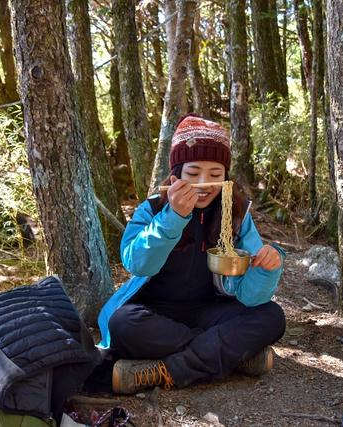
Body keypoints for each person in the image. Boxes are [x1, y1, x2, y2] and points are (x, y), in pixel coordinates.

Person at [97, 115, 286, 394]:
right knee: (122, 324)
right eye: (193, 172)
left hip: (210, 310)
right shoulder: (152, 209)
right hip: (155, 311)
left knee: (272, 316)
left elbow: (251, 297)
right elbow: (136, 263)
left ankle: (166, 371)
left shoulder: (235, 214)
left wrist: (266, 268)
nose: (204, 183)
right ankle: (232, 355)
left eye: (214, 175)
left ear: (226, 179)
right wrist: (173, 217)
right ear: (175, 177)